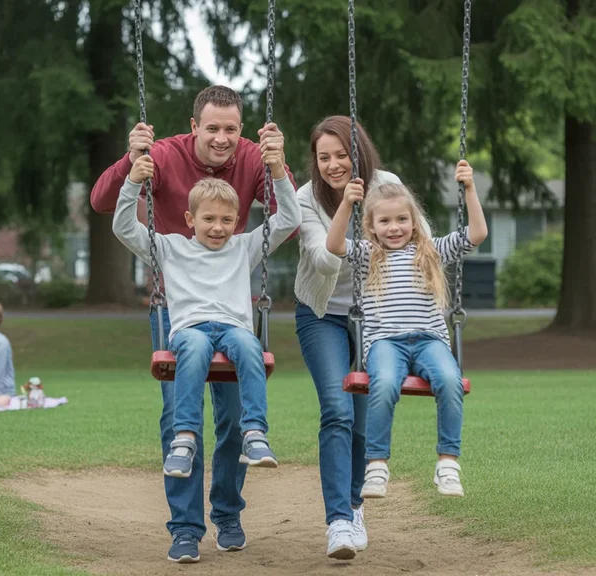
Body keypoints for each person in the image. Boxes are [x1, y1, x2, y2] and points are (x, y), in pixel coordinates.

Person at [90, 85, 297, 563]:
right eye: (212, 128)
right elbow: (109, 209)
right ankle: (185, 528)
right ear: (194, 127)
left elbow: (288, 217)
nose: (222, 138)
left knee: (230, 419)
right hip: (176, 309)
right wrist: (131, 165)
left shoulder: (252, 162)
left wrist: (278, 165)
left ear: (241, 130)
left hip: (232, 314)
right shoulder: (163, 161)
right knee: (178, 418)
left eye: (230, 129)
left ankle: (227, 513)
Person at [114, 142, 299, 474]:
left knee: (249, 346)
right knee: (196, 347)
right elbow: (124, 228)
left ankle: (255, 433)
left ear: (237, 219)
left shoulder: (244, 248)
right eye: (209, 218)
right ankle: (184, 437)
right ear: (190, 218)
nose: (218, 227)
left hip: (234, 329)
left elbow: (288, 219)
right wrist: (131, 182)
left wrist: (277, 172)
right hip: (189, 329)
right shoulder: (170, 248)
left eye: (227, 219)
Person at [325, 161, 488, 504]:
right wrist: (346, 204)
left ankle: (447, 463)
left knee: (450, 381)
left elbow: (477, 234)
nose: (394, 227)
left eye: (402, 220)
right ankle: (377, 465)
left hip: (430, 341)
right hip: (385, 343)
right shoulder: (369, 255)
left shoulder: (431, 251)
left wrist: (469, 190)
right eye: (384, 221)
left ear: (414, 222)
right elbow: (334, 244)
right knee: (382, 384)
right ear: (370, 226)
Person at [292, 115, 403, 559]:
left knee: (361, 419)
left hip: (374, 316)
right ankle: (338, 520)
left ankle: (356, 506)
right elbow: (323, 261)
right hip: (322, 315)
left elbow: (417, 242)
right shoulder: (305, 198)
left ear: (360, 154)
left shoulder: (387, 183)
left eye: (342, 155)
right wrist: (345, 206)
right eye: (324, 157)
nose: (334, 165)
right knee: (337, 409)